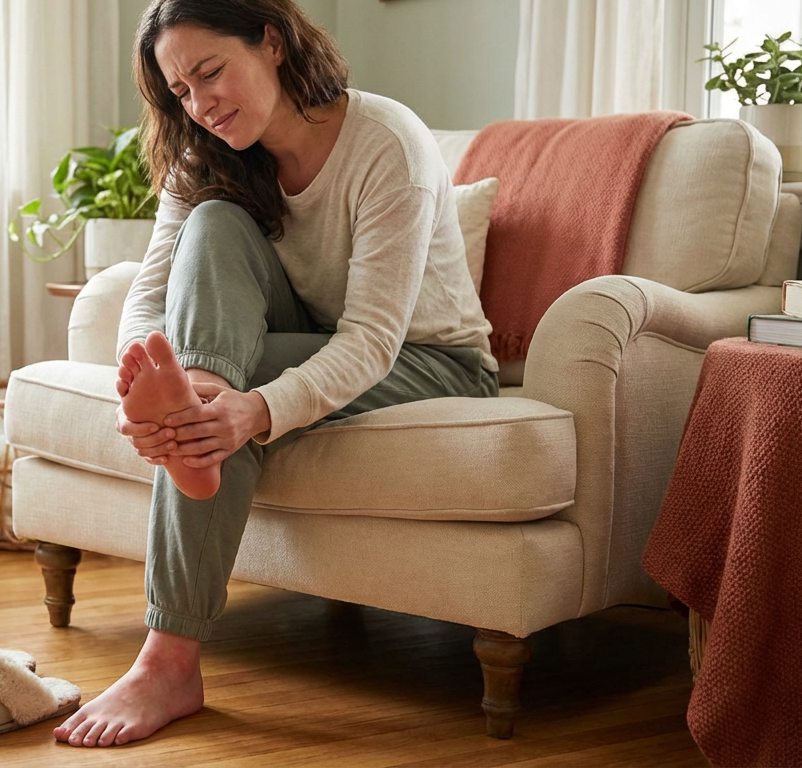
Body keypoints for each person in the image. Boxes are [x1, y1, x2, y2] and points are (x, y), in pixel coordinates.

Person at [52, 0, 498, 748]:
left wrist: (250, 412)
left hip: (429, 359)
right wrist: (141, 380)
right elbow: (150, 295)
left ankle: (168, 659)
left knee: (226, 389)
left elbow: (371, 340)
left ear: (272, 41)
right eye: (181, 92)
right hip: (296, 339)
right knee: (213, 225)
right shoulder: (207, 152)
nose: (200, 104)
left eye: (210, 72)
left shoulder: (386, 142)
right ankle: (194, 402)